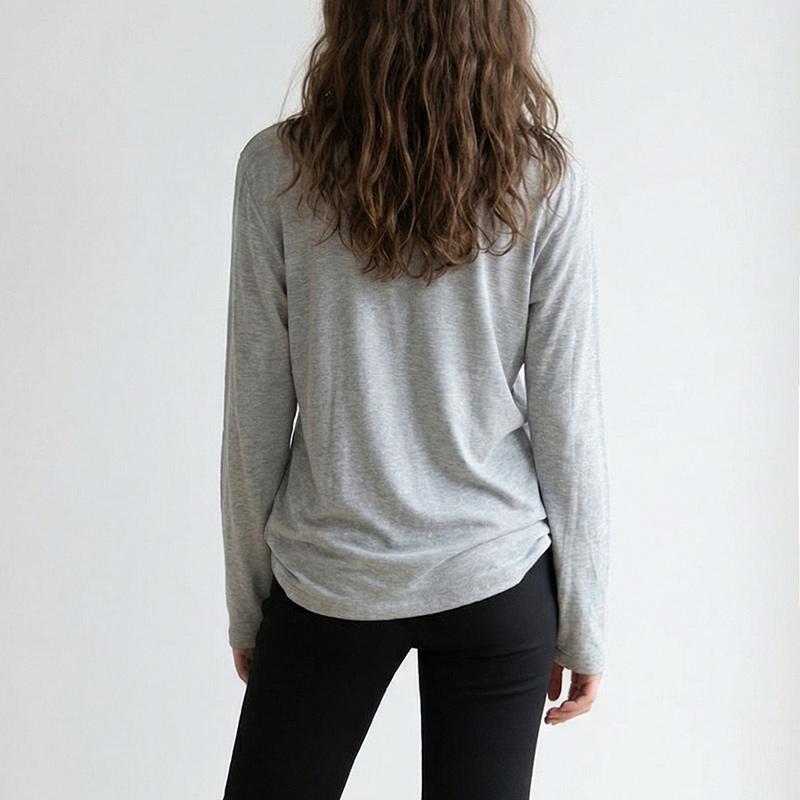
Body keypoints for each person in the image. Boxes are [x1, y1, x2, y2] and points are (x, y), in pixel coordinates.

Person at [219, 1, 611, 797]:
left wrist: (248, 601)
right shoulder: (542, 178)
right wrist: (584, 623)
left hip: (330, 573)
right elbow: (569, 423)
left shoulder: (277, 169)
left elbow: (254, 409)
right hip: (496, 573)